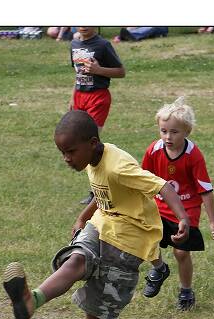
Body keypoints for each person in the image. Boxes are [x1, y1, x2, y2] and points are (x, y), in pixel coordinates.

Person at [3, 110, 189, 319]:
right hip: (102, 223)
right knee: (76, 260)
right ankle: (31, 301)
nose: (66, 158)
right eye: (62, 152)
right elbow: (102, 193)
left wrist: (183, 218)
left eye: (70, 151)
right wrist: (83, 216)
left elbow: (162, 187)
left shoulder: (119, 166)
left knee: (99, 295)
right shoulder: (92, 158)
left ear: (91, 143)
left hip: (130, 234)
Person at [139, 97, 214, 310]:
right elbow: (143, 179)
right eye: (164, 131)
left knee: (181, 252)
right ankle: (158, 268)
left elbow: (205, 189)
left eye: (174, 132)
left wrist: (213, 221)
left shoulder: (193, 155)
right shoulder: (154, 151)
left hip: (187, 209)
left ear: (187, 132)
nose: (168, 136)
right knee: (144, 239)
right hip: (159, 206)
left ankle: (186, 292)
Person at [69, 26, 126, 205]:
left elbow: (121, 71)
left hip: (98, 97)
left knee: (90, 143)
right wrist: (73, 97)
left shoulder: (103, 45)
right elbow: (77, 74)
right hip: (80, 96)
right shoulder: (74, 43)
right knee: (79, 142)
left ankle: (97, 190)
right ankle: (98, 187)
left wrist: (98, 70)